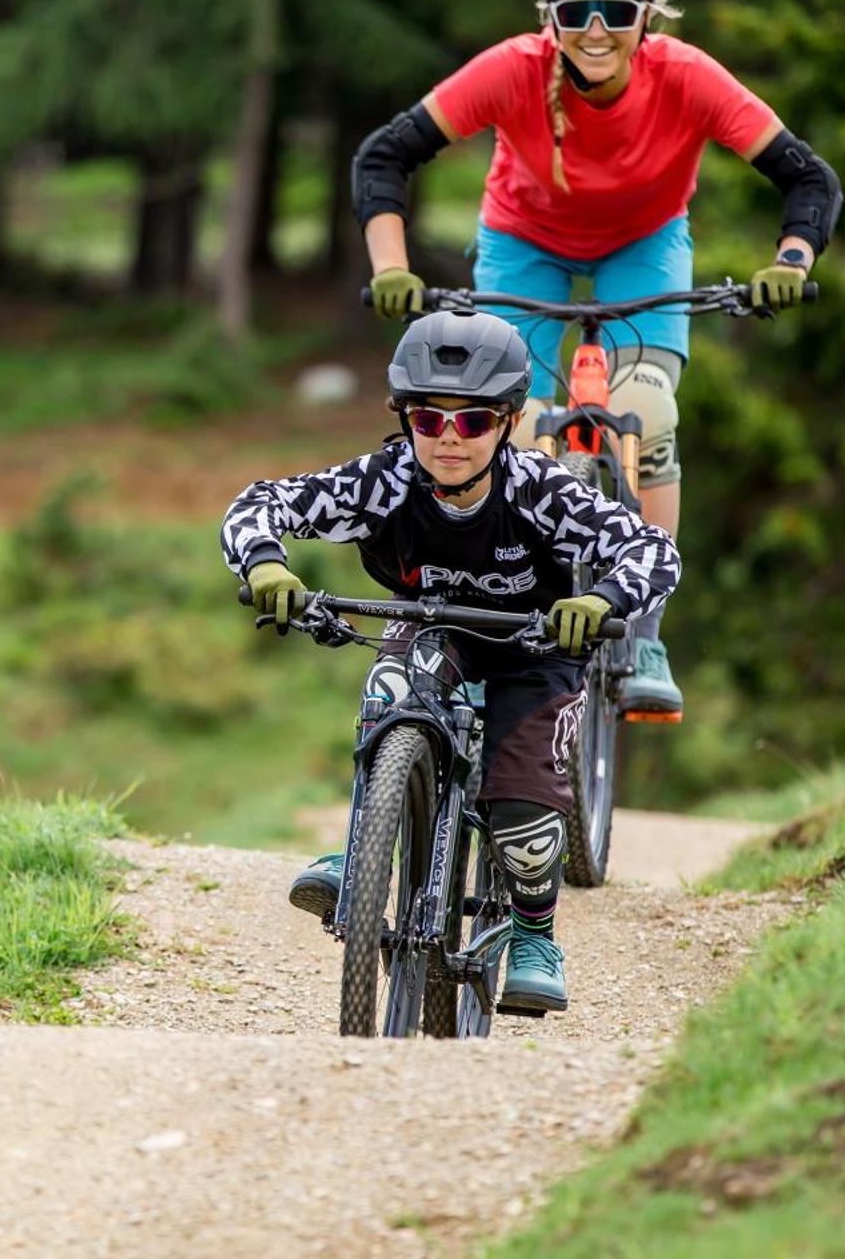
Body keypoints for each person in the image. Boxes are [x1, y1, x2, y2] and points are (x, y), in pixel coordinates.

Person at [348, 0, 843, 721]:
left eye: (618, 10)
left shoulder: (685, 77)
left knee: (645, 413)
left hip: (645, 248)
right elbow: (384, 155)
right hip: (522, 244)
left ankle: (645, 626)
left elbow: (806, 176)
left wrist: (790, 264)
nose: (597, 32)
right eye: (579, 12)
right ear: (550, 16)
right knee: (507, 431)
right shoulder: (512, 70)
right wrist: (391, 268)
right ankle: (498, 622)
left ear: (651, 15)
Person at [220, 309, 679, 1011]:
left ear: (509, 420)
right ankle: (369, 850)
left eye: (472, 422)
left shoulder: (540, 490)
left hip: (537, 649)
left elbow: (651, 549)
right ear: (403, 418)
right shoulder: (387, 479)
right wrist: (267, 567)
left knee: (524, 821)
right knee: (393, 683)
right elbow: (263, 503)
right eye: (429, 420)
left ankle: (533, 933)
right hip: (434, 631)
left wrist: (605, 598)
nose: (449, 439)